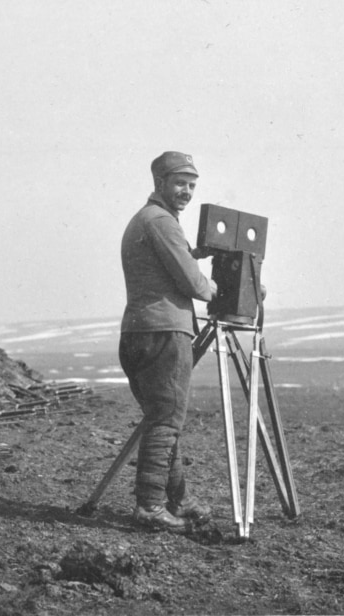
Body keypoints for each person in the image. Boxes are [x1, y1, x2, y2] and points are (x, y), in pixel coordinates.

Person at [119, 151, 217, 531]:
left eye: (192, 185)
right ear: (160, 183)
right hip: (164, 333)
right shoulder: (161, 221)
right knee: (166, 420)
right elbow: (193, 284)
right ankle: (149, 507)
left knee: (163, 418)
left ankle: (179, 499)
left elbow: (164, 266)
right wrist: (214, 285)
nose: (187, 192)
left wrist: (191, 254)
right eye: (180, 183)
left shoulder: (147, 220)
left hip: (138, 332)